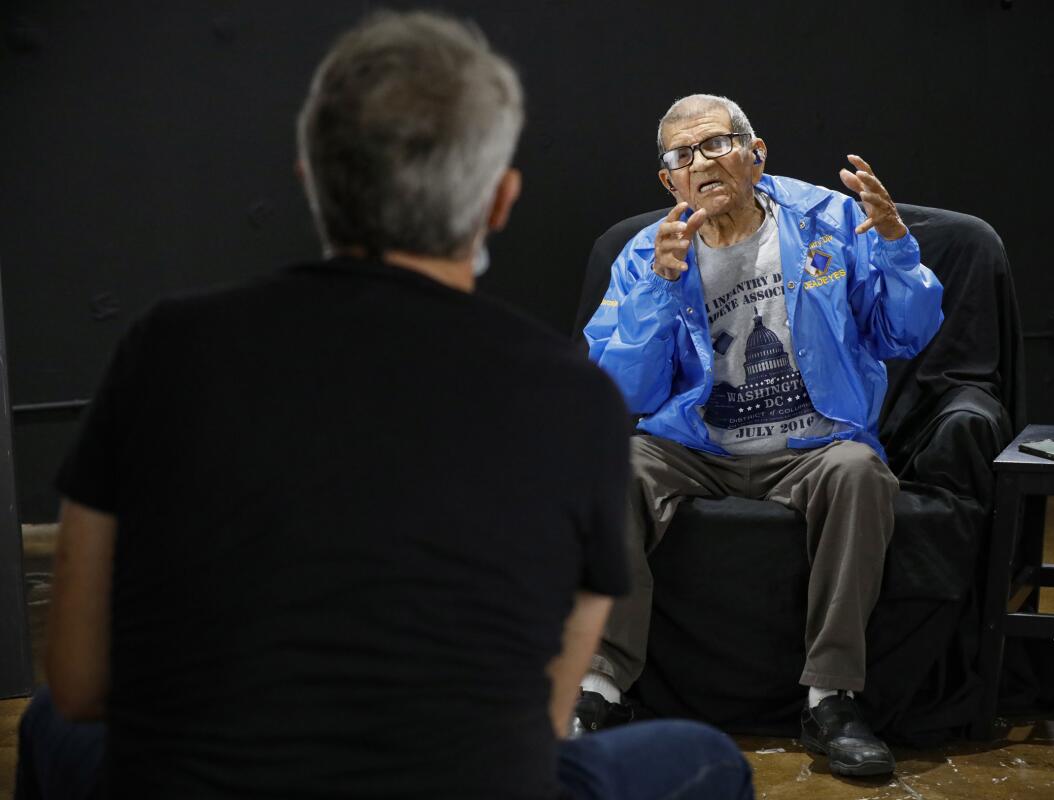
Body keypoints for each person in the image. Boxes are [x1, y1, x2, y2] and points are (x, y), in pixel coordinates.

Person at [16, 16, 753, 799]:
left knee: (46, 723)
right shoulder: (574, 398)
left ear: (311, 178)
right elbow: (539, 713)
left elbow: (80, 678)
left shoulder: (165, 349)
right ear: (500, 200)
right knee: (706, 760)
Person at [579, 94, 944, 778]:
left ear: (757, 153)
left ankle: (832, 698)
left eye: (715, 145)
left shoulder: (828, 221)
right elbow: (626, 392)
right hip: (696, 448)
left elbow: (909, 332)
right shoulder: (646, 253)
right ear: (669, 181)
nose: (700, 164)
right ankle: (600, 688)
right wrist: (659, 287)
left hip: (812, 445)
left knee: (860, 472)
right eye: (681, 157)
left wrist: (895, 247)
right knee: (611, 467)